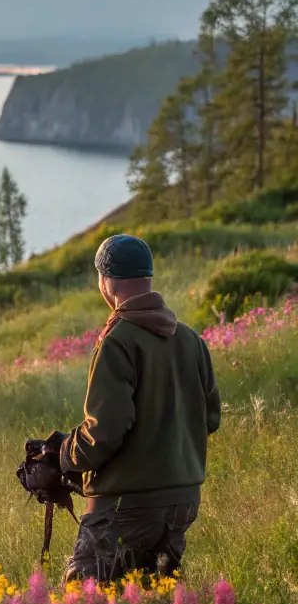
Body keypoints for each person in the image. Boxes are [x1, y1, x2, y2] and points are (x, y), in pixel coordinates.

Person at [52, 233, 220, 581]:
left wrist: (65, 454)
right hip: (182, 503)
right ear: (148, 277)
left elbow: (105, 431)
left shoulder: (118, 342)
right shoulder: (191, 341)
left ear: (106, 280)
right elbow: (211, 418)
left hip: (125, 505)